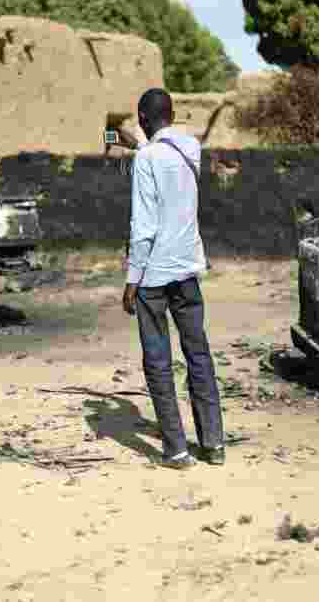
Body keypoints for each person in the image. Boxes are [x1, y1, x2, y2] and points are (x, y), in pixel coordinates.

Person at [121, 88, 224, 470]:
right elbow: (163, 155)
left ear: (144, 120)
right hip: (187, 269)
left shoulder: (146, 159)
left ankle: (177, 451)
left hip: (154, 276)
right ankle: (213, 444)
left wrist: (132, 280)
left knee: (159, 361)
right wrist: (141, 145)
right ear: (173, 114)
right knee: (198, 353)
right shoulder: (190, 149)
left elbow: (143, 226)